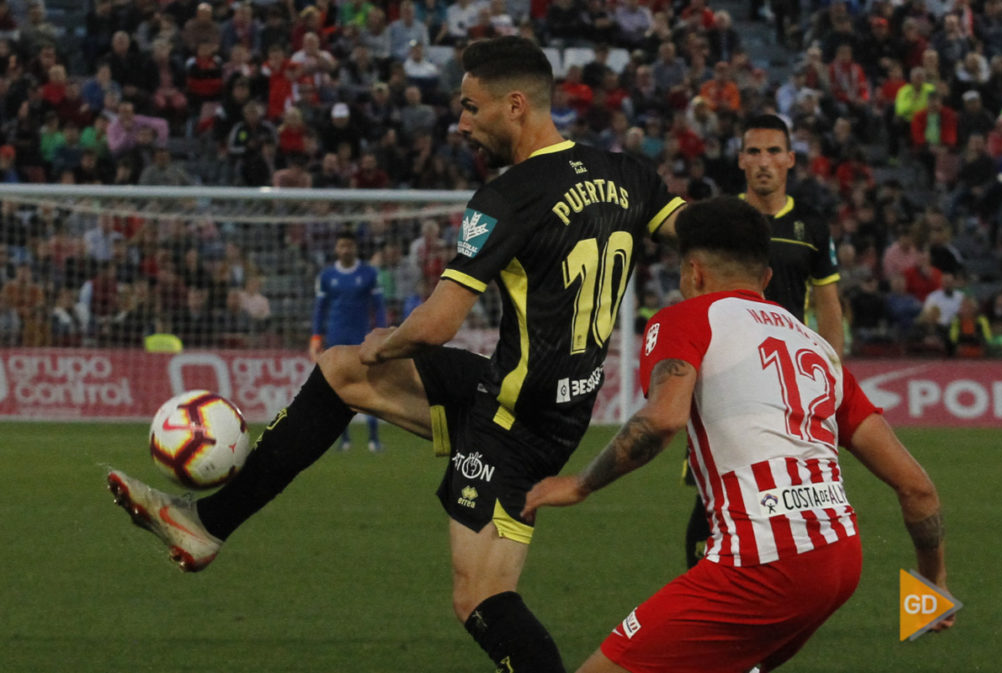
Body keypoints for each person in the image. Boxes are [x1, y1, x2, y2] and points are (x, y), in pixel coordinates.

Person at [106, 36, 686, 673]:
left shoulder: (509, 197)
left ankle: (208, 523)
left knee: (481, 598)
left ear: (515, 105)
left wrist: (391, 340)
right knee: (342, 371)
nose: (460, 122)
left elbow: (436, 325)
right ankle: (207, 523)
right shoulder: (627, 174)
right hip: (535, 395)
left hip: (516, 427)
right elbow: (700, 237)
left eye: (471, 108)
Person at [522, 197, 954, 673]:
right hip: (839, 559)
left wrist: (580, 484)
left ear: (694, 272)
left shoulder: (684, 320)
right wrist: (933, 587)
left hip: (763, 560)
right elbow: (917, 488)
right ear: (767, 279)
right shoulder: (817, 348)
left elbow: (662, 419)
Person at [682, 113, 845, 568]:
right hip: (724, 378)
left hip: (786, 382)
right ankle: (708, 596)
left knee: (789, 491)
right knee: (715, 494)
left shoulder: (811, 226)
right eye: (753, 151)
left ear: (791, 159)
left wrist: (835, 379)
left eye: (774, 151)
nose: (764, 162)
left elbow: (829, 305)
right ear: (739, 160)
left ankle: (771, 597)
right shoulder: (718, 220)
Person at [309, 231, 387, 452]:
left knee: (370, 387)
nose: (345, 250)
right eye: (342, 246)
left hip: (361, 338)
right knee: (338, 389)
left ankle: (373, 438)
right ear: (336, 248)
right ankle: (344, 439)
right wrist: (316, 336)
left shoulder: (369, 273)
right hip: (335, 338)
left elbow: (379, 306)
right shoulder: (326, 276)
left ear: (355, 248)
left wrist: (381, 332)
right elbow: (320, 309)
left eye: (349, 246)